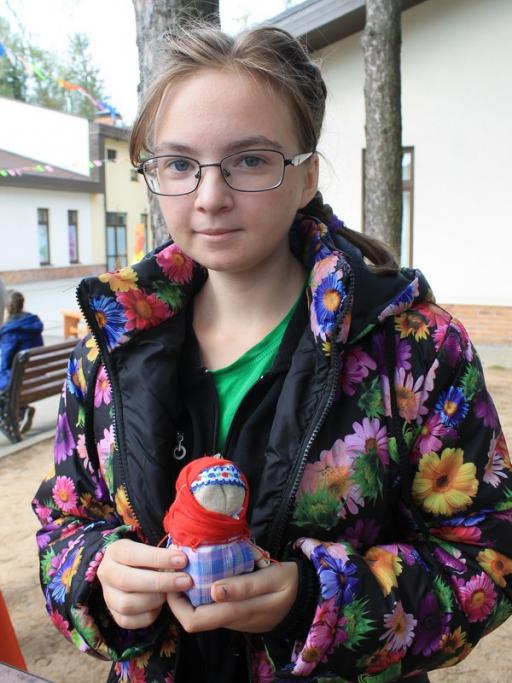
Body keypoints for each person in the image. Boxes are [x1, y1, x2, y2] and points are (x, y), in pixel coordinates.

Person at [32, 23, 511, 683]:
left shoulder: (414, 350)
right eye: (179, 164)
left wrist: (315, 602)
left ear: (306, 175)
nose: (210, 197)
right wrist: (97, 574)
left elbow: (486, 557)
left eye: (250, 160)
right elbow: (64, 519)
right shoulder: (112, 344)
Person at [0, 290, 43, 433]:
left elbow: (5, 362)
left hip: (20, 379)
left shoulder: (11, 330)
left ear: (7, 308)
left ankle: (20, 412)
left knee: (4, 380)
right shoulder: (32, 322)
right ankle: (21, 411)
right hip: (36, 375)